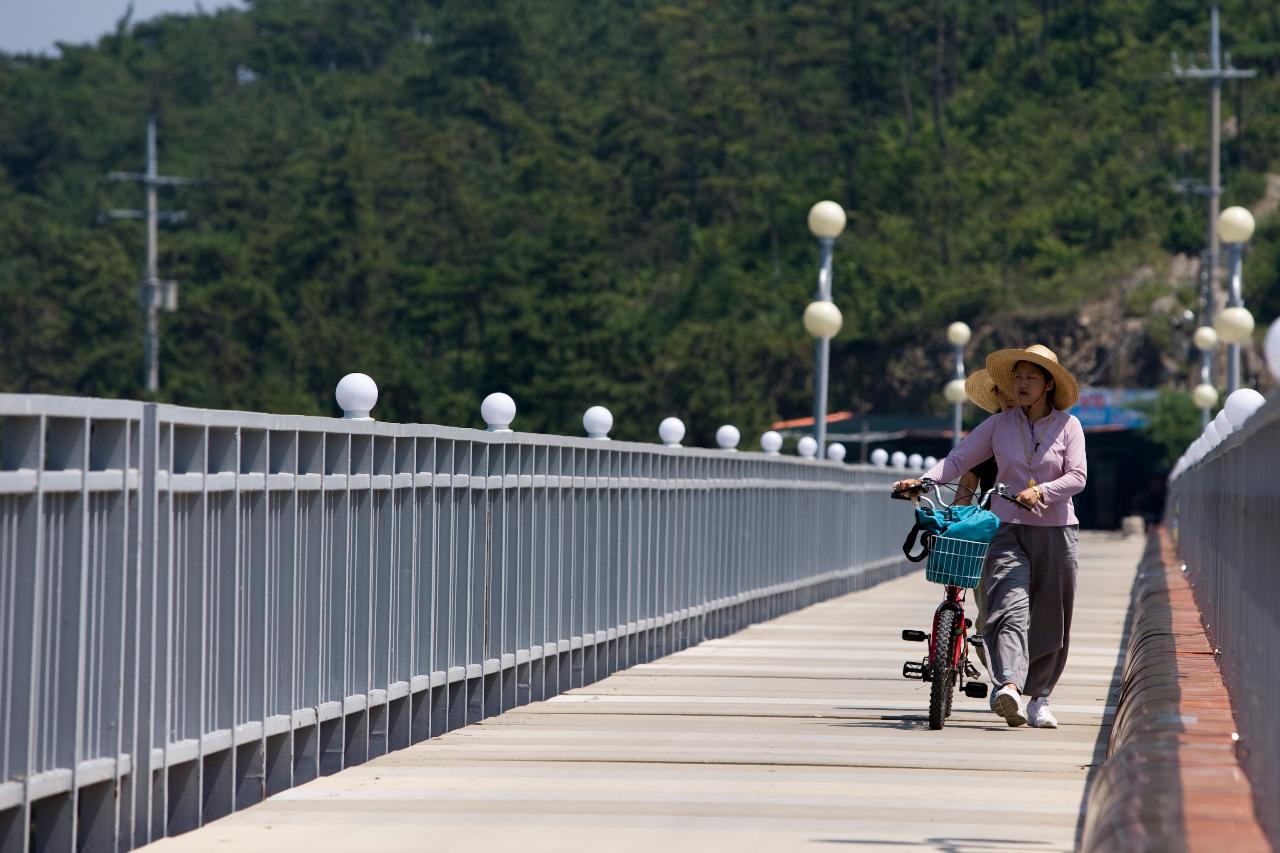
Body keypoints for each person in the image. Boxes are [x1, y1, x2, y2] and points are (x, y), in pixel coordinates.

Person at [893, 344, 1086, 729]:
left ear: (1049, 384)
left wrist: (1043, 491)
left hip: (1056, 531)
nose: (1022, 384)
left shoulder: (1069, 426)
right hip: (1007, 530)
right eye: (1018, 377)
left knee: (1051, 617)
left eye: (1031, 377)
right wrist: (926, 480)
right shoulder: (1000, 425)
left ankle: (1040, 697)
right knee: (1006, 608)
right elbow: (960, 458)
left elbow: (1077, 476)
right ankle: (1010, 686)